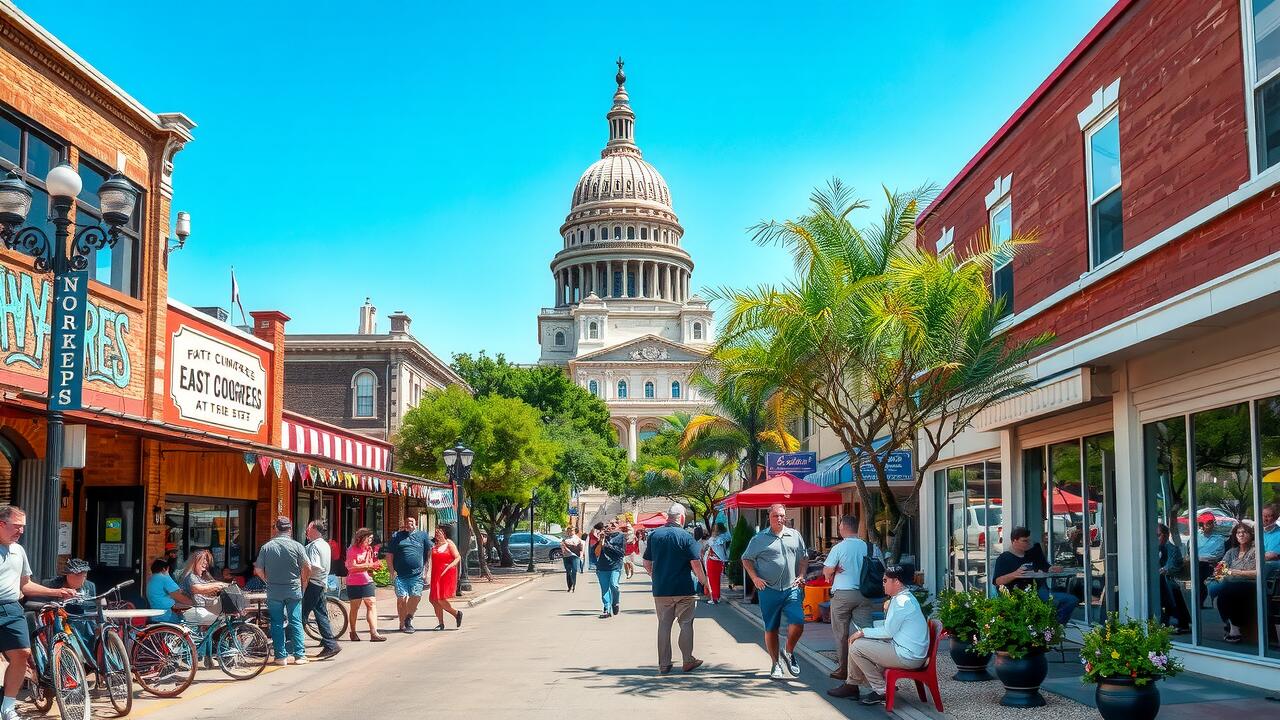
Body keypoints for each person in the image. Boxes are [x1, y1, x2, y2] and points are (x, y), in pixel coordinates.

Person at [0, 506, 78, 720]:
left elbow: (25, 585)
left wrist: (57, 592)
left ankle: (7, 708)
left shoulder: (19, 551)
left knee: (22, 654)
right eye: (17, 526)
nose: (21, 531)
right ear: (1, 524)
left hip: (12, 607)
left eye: (23, 527)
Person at [827, 564, 929, 705]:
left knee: (857, 647)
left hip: (908, 655)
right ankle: (853, 684)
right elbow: (891, 628)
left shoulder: (901, 602)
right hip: (906, 650)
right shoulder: (903, 598)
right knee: (858, 643)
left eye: (885, 581)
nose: (883, 584)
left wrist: (862, 632)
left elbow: (888, 632)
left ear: (897, 582)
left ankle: (880, 689)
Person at [741, 503, 808, 679]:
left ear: (785, 516)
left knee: (798, 622)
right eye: (775, 516)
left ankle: (788, 651)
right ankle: (775, 664)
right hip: (768, 590)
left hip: (791, 589)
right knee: (772, 628)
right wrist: (755, 578)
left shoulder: (795, 535)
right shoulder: (759, 539)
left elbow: (804, 558)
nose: (779, 519)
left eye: (781, 516)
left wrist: (801, 575)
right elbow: (746, 559)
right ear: (768, 517)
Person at [643, 504, 707, 675]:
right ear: (682, 517)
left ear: (668, 517)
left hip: (661, 589)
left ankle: (664, 664)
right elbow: (696, 564)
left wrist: (655, 576)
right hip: (684, 588)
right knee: (686, 623)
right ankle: (687, 660)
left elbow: (647, 563)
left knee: (664, 625)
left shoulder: (654, 535)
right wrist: (705, 582)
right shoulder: (686, 537)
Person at [824, 515, 877, 679]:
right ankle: (869, 669)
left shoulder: (839, 548)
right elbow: (879, 566)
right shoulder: (869, 547)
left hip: (843, 594)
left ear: (842, 528)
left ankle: (843, 669)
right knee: (865, 632)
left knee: (841, 633)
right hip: (865, 593)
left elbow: (827, 571)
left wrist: (833, 570)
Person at [255, 517, 311, 666]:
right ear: (290, 529)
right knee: (295, 621)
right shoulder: (298, 546)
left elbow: (258, 570)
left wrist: (268, 579)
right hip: (293, 589)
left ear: (276, 529)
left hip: (274, 590)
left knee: (276, 623)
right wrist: (303, 582)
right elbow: (308, 567)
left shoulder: (266, 547)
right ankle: (299, 655)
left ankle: (281, 656)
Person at [991, 526, 1077, 624]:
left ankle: (1054, 625)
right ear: (1014, 541)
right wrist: (1015, 575)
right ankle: (1049, 626)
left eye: (1028, 540)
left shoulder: (1032, 553)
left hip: (1038, 590)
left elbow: (1044, 565)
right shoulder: (1004, 558)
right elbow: (997, 581)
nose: (1028, 543)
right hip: (1018, 594)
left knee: (1071, 600)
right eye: (1024, 541)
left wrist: (1051, 568)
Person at [381, 517, 433, 633]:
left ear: (416, 524)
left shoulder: (422, 536)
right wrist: (391, 571)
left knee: (416, 596)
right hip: (400, 575)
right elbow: (389, 555)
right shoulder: (397, 536)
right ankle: (402, 623)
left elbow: (430, 554)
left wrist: (427, 572)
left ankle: (409, 617)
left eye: (411, 522)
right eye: (407, 522)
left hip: (417, 575)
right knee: (401, 599)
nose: (409, 524)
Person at [1210, 523, 1258, 643]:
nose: (1241, 534)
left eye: (1244, 532)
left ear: (1251, 535)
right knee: (1222, 594)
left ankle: (1232, 626)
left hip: (1250, 584)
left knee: (1224, 589)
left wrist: (1235, 572)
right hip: (1230, 584)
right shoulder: (1231, 552)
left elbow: (1257, 572)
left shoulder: (1255, 551)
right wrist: (1223, 571)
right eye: (1238, 532)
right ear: (1235, 536)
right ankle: (1233, 627)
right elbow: (1219, 571)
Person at [302, 519, 340, 659]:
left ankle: (288, 644)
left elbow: (314, 566)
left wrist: (304, 579)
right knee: (320, 614)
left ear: (314, 530)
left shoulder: (314, 546)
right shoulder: (324, 545)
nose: (306, 531)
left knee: (300, 615)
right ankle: (329, 643)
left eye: (308, 528)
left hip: (313, 583)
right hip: (321, 583)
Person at [47, 558, 96, 650]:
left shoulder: (89, 586)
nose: (82, 578)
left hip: (82, 619)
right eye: (78, 575)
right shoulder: (55, 584)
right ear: (68, 575)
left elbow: (92, 605)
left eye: (84, 575)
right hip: (62, 618)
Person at [345, 527, 385, 641]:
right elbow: (351, 567)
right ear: (361, 538)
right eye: (369, 538)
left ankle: (374, 633)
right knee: (355, 607)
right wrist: (369, 566)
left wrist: (375, 565)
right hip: (354, 582)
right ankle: (353, 632)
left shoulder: (369, 550)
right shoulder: (352, 550)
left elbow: (369, 564)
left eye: (371, 538)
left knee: (371, 604)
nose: (370, 541)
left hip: (367, 580)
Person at [1155, 523, 1191, 633]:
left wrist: (1161, 571)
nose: (1156, 538)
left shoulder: (1172, 549)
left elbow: (1170, 567)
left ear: (1166, 535)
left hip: (1173, 579)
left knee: (1168, 586)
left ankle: (1180, 621)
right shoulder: (1153, 549)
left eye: (1158, 535)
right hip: (1159, 581)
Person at [177, 549, 226, 627]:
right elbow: (197, 589)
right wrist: (219, 585)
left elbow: (211, 585)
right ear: (195, 561)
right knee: (221, 621)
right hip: (192, 610)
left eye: (206, 560)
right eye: (203, 560)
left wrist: (222, 586)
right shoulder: (191, 576)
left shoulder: (203, 576)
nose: (205, 562)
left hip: (201, 609)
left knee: (221, 619)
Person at [428, 524, 463, 630]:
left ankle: (456, 613)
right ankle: (441, 623)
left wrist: (450, 566)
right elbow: (429, 561)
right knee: (433, 599)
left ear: (444, 534)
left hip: (446, 573)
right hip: (435, 574)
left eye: (440, 532)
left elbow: (457, 557)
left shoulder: (449, 543)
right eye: (436, 533)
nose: (437, 534)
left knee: (440, 599)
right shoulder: (434, 546)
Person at [593, 520, 626, 618]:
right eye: (607, 525)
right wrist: (601, 542)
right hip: (602, 566)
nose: (609, 527)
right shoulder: (601, 537)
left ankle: (615, 602)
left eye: (613, 525)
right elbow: (596, 553)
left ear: (618, 526)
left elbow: (621, 552)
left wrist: (607, 546)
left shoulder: (621, 537)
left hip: (615, 566)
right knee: (605, 589)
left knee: (614, 585)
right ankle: (606, 609)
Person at [1194, 515, 1227, 608]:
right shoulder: (1196, 537)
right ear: (1202, 525)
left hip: (1212, 564)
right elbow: (1192, 552)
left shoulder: (1219, 538)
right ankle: (1200, 600)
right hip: (1198, 563)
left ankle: (1206, 599)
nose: (1211, 525)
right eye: (1208, 523)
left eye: (1212, 523)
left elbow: (1220, 554)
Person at [146, 557, 190, 623]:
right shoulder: (163, 578)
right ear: (164, 569)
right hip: (167, 614)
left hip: (155, 615)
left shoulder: (151, 579)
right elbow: (178, 595)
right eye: (168, 569)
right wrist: (194, 603)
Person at [702, 523, 730, 604]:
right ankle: (717, 597)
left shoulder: (713, 539)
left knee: (712, 580)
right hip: (720, 561)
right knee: (717, 580)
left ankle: (714, 598)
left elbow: (705, 548)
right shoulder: (725, 538)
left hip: (712, 561)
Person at [691, 526, 706, 596]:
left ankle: (699, 590)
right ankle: (703, 591)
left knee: (697, 574)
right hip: (702, 560)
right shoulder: (703, 542)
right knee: (703, 574)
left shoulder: (693, 542)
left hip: (696, 560)